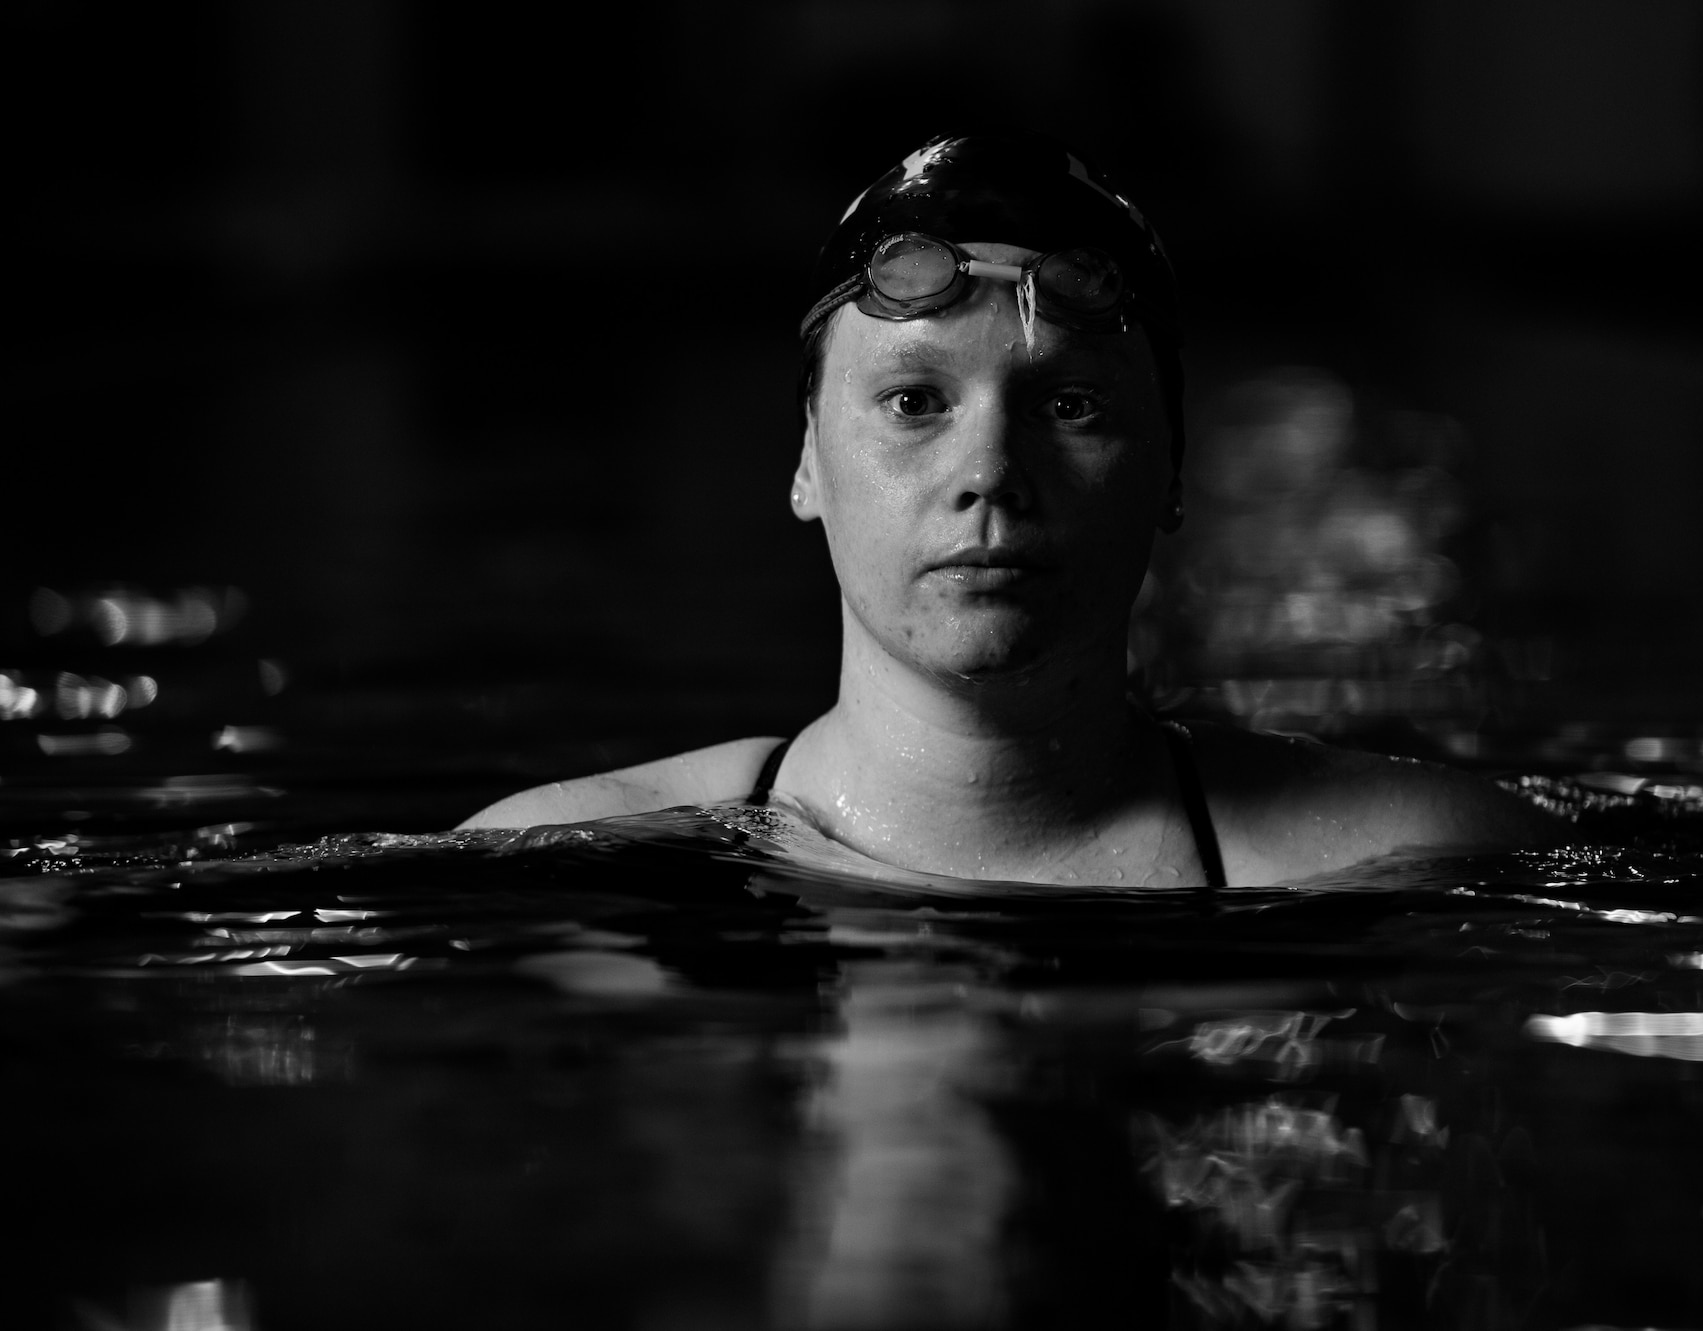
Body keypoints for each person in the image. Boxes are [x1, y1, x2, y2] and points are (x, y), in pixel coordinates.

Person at [460, 131, 1560, 883]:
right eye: (912, 400)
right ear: (805, 459)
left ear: (1171, 470)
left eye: (1069, 403)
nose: (988, 467)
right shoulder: (565, 864)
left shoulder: (1422, 854)